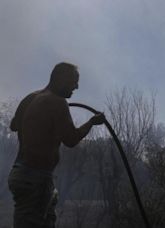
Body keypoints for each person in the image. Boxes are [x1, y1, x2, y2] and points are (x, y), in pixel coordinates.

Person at [8, 62, 105, 228]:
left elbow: (14, 125)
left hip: (22, 174)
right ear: (61, 79)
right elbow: (71, 139)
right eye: (74, 81)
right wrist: (91, 122)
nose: (76, 86)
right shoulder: (57, 102)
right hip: (35, 180)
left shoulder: (31, 97)